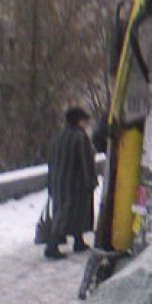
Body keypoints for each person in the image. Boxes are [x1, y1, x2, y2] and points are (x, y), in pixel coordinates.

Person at [45, 107, 97, 260]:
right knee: (72, 213)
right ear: (78, 121)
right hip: (75, 184)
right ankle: (52, 246)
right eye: (84, 120)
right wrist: (91, 181)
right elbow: (86, 161)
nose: (86, 123)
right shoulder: (80, 137)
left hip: (58, 182)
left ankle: (78, 241)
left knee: (62, 212)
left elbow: (51, 161)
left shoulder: (58, 136)